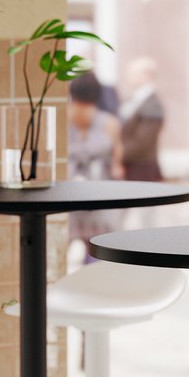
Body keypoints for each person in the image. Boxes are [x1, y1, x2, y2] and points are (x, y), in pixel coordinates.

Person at [67, 70, 120, 259]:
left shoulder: (63, 118)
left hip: (68, 194)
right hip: (100, 195)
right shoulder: (110, 123)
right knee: (99, 254)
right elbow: (117, 167)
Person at [118, 58, 166, 181]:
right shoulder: (136, 99)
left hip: (143, 169)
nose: (128, 77)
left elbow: (143, 141)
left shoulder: (152, 104)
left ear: (146, 75)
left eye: (132, 73)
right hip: (132, 167)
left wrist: (117, 155)